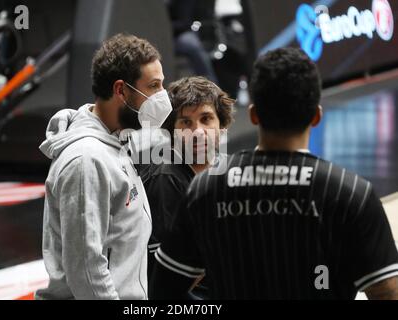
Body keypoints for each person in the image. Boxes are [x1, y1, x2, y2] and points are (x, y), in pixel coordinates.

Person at [150, 47, 398, 299]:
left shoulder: (204, 191)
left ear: (254, 115)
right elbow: (387, 292)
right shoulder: (352, 192)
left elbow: (162, 292)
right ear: (316, 116)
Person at [35, 33, 172, 300]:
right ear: (121, 90)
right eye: (153, 86)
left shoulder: (117, 139)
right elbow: (86, 271)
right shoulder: (87, 160)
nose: (162, 97)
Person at [142, 76, 234, 295]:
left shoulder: (225, 169)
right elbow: (161, 278)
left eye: (206, 119)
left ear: (222, 125)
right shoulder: (165, 178)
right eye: (186, 122)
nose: (198, 132)